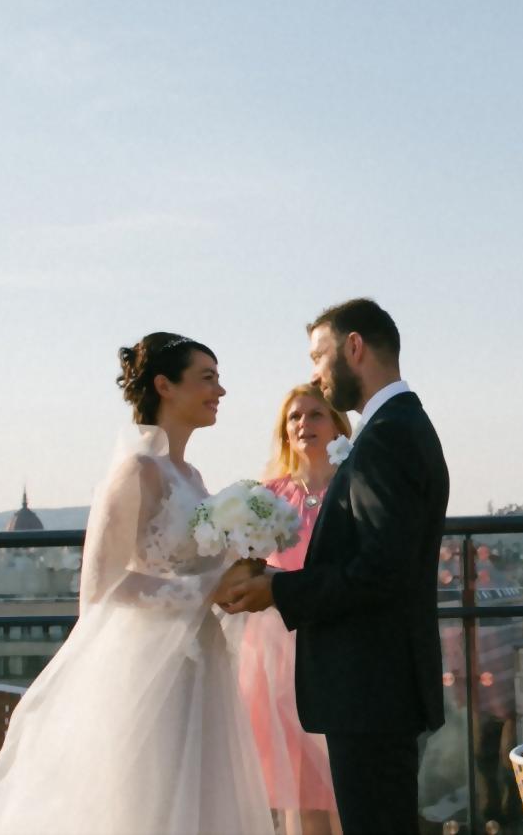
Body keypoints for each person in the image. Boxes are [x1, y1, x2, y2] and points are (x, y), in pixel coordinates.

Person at [0, 333, 272, 834]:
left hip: (198, 667)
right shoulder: (137, 471)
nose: (220, 391)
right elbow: (102, 587)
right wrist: (203, 592)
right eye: (208, 378)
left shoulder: (193, 476)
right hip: (149, 669)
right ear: (165, 385)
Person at [218, 299, 450, 835]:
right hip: (382, 682)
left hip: (369, 687)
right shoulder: (399, 426)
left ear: (354, 348)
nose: (317, 374)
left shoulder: (385, 437)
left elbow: (377, 572)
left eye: (320, 357)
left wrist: (278, 589)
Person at [231, 384, 351, 835]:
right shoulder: (268, 495)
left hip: (335, 640)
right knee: (296, 786)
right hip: (275, 653)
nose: (304, 425)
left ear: (338, 425)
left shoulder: (354, 485)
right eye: (295, 418)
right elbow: (245, 568)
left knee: (338, 776)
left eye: (316, 414)